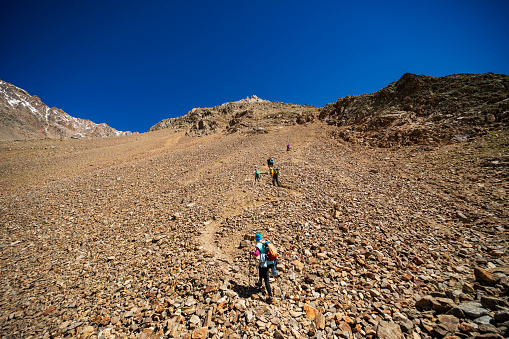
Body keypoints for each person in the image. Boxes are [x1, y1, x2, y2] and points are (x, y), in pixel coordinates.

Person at [249, 234, 274, 302]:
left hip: (265, 264)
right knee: (260, 267)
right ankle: (260, 281)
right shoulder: (265, 242)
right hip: (271, 262)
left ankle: (270, 296)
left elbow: (257, 254)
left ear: (256, 239)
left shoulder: (258, 245)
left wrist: (251, 252)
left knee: (266, 280)